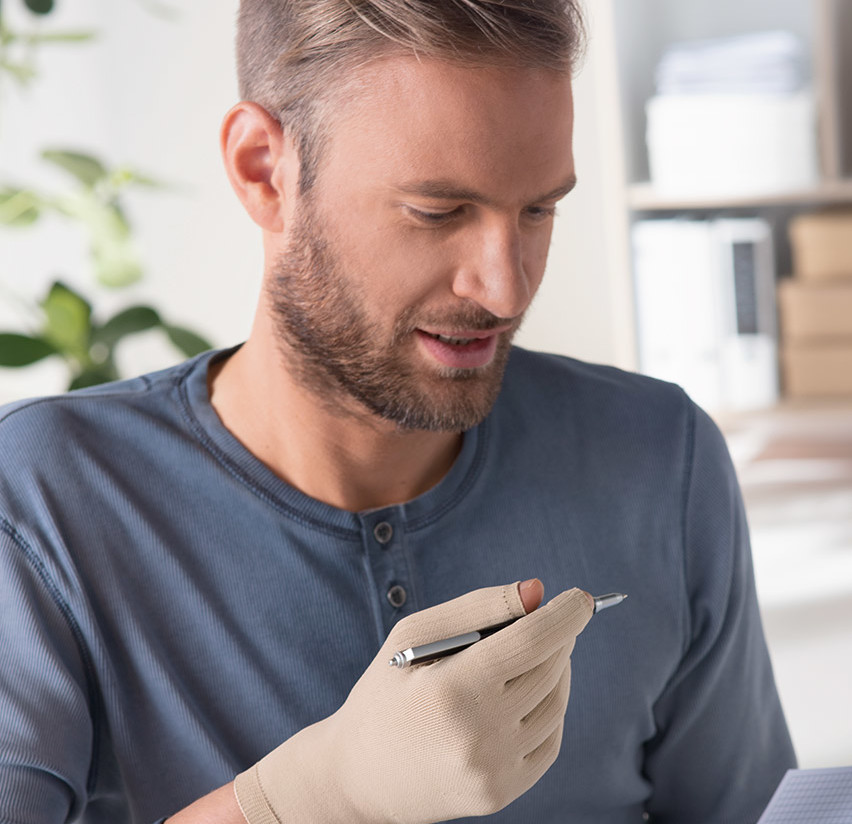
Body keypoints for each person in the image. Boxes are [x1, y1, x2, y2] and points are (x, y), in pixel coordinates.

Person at [0, 1, 797, 822]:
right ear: (264, 170)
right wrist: (309, 796)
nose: (504, 290)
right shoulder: (42, 503)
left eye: (538, 209)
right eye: (437, 212)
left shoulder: (659, 461)